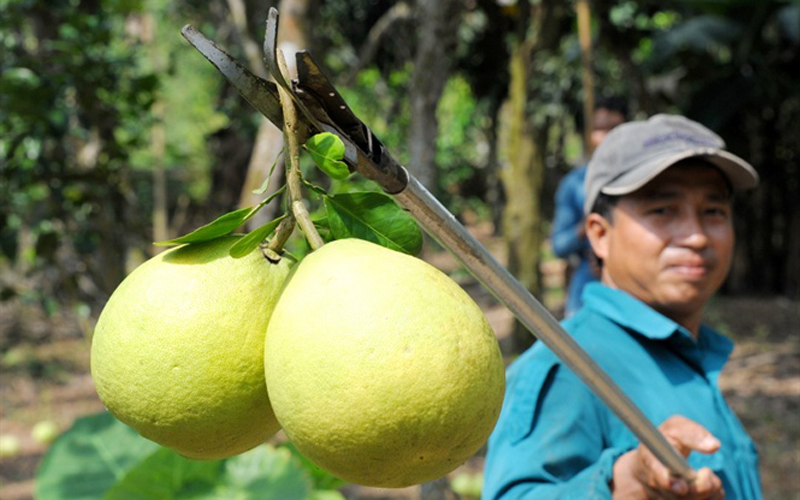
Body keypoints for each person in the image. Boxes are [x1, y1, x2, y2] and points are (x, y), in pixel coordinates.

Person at [482, 114, 762, 499]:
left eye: (713, 212)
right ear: (599, 234)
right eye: (663, 210)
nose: (697, 235)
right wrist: (624, 485)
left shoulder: (689, 354)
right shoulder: (569, 367)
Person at [552, 96, 628, 317]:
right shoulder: (574, 184)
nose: (606, 137)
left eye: (613, 129)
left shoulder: (647, 181)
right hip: (588, 284)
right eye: (599, 129)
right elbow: (559, 246)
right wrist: (587, 227)